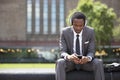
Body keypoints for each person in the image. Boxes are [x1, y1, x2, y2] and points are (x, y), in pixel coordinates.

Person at [55, 12, 105, 80]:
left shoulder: (90, 32)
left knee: (98, 62)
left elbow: (91, 51)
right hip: (70, 63)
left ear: (85, 24)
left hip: (85, 63)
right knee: (60, 62)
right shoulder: (64, 32)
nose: (78, 28)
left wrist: (87, 58)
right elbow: (63, 51)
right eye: (75, 25)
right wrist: (69, 57)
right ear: (71, 23)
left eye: (81, 25)